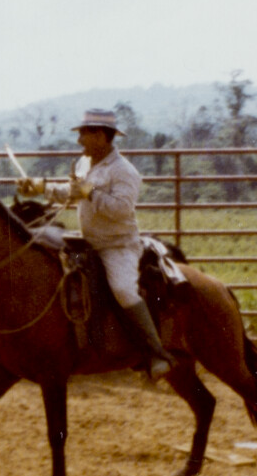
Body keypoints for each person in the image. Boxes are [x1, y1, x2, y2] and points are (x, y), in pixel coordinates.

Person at [26, 108, 180, 380]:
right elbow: (71, 192)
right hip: (87, 244)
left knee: (122, 289)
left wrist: (90, 192)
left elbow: (120, 209)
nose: (79, 141)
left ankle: (156, 352)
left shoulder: (124, 171)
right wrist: (41, 187)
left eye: (84, 134)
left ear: (100, 136)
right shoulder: (85, 165)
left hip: (117, 246)